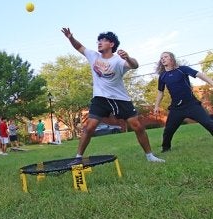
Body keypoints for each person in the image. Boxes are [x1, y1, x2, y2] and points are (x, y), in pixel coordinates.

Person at [61, 27, 164, 163]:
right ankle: (78, 158)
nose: (99, 42)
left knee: (137, 126)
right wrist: (70, 37)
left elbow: (135, 65)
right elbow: (79, 46)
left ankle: (150, 156)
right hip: (100, 98)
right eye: (99, 40)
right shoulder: (93, 56)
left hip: (120, 99)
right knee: (89, 127)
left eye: (103, 40)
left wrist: (127, 57)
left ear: (111, 44)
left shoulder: (118, 61)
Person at [154, 51, 213, 152]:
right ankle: (166, 149)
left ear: (171, 58)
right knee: (168, 130)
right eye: (161, 58)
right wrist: (156, 106)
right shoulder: (163, 76)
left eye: (165, 57)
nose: (163, 59)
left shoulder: (182, 69)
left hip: (191, 105)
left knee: (208, 123)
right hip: (176, 108)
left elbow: (200, 75)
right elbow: (160, 92)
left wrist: (211, 83)